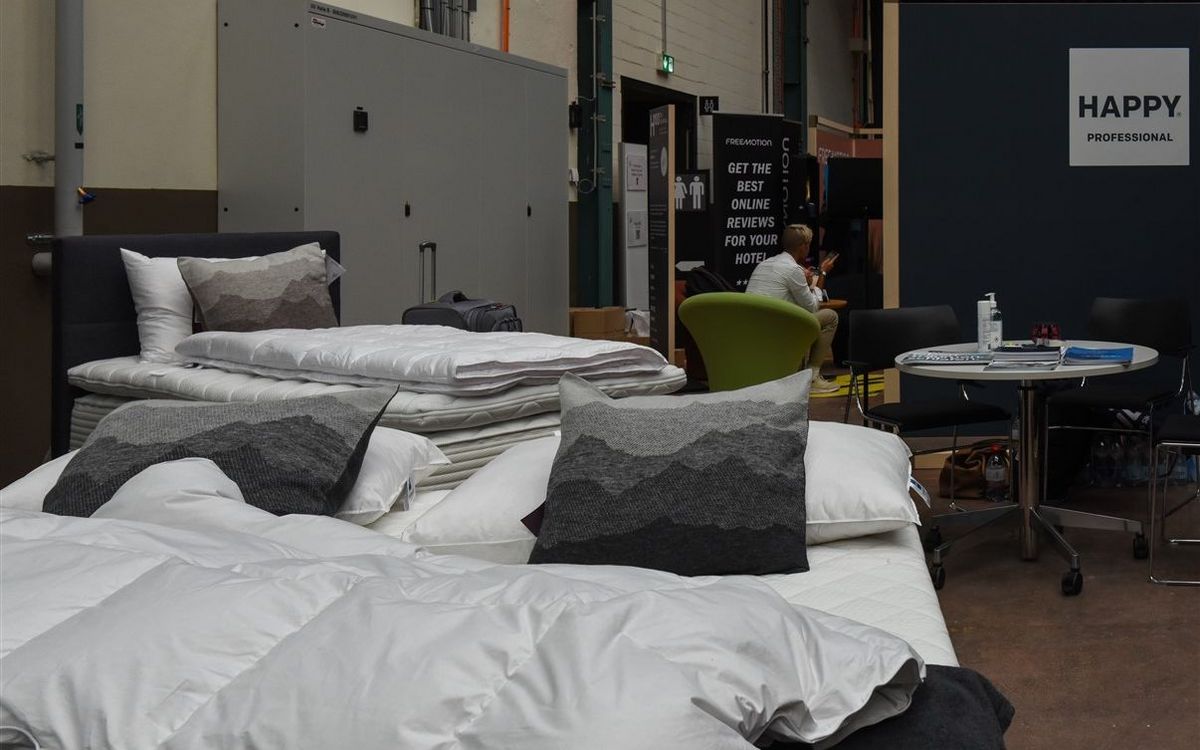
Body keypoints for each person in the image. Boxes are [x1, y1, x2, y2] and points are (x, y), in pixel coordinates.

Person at [745, 224, 840, 393]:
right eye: (808, 244)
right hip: (778, 330)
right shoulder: (793, 269)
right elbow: (812, 307)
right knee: (830, 316)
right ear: (803, 246)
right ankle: (812, 378)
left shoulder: (764, 264)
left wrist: (805, 281)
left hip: (753, 329)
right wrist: (821, 275)